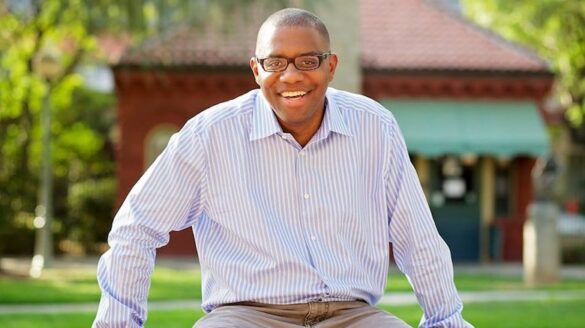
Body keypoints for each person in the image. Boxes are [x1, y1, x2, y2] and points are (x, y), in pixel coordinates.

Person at [93, 8, 472, 328]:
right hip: (245, 315)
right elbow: (137, 227)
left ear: (331, 66)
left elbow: (418, 239)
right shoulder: (211, 135)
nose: (291, 76)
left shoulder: (376, 127)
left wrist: (446, 322)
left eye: (308, 61)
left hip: (353, 315)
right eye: (275, 62)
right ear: (256, 70)